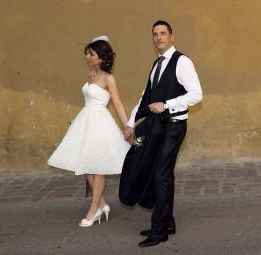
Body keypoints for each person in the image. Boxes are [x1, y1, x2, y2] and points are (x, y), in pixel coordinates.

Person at [119, 20, 203, 247]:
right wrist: (130, 123)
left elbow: (196, 94)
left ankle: (160, 230)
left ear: (172, 37)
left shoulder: (182, 62)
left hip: (174, 126)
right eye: (155, 34)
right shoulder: (157, 64)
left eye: (163, 33)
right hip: (157, 128)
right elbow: (145, 97)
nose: (158, 37)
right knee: (163, 173)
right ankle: (168, 222)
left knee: (161, 174)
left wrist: (166, 104)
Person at [48, 36, 131, 227]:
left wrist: (128, 126)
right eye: (87, 53)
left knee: (98, 167)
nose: (87, 56)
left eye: (91, 54)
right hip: (86, 121)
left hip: (100, 123)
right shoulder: (91, 75)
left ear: (101, 57)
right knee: (85, 165)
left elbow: (117, 103)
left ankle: (93, 210)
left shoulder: (108, 78)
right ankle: (101, 204)